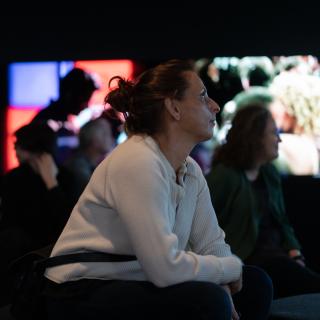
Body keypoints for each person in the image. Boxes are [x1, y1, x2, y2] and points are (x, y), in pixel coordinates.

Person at [43, 59, 272, 320]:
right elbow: (165, 269)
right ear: (173, 107)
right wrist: (225, 271)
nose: (215, 106)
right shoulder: (138, 161)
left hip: (136, 278)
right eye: (202, 97)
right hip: (79, 289)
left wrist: (225, 278)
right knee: (209, 301)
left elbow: (211, 244)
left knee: (256, 284)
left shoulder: (190, 169)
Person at [206, 104, 320, 299]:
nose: (279, 139)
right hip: (249, 262)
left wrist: (295, 253)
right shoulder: (224, 177)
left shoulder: (269, 173)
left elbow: (282, 220)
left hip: (277, 258)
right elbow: (204, 225)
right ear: (255, 137)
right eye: (273, 133)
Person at [0, 122, 77, 306]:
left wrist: (52, 185)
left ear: (32, 149)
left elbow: (67, 224)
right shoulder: (13, 179)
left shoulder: (66, 178)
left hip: (54, 250)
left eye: (18, 145)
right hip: (23, 254)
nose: (15, 151)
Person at [31, 67, 99, 165]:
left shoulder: (64, 119)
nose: (87, 105)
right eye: (85, 98)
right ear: (70, 95)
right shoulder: (45, 122)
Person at [65, 117, 115, 199]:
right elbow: (100, 194)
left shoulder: (89, 164)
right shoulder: (78, 166)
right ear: (94, 140)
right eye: (105, 134)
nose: (111, 138)